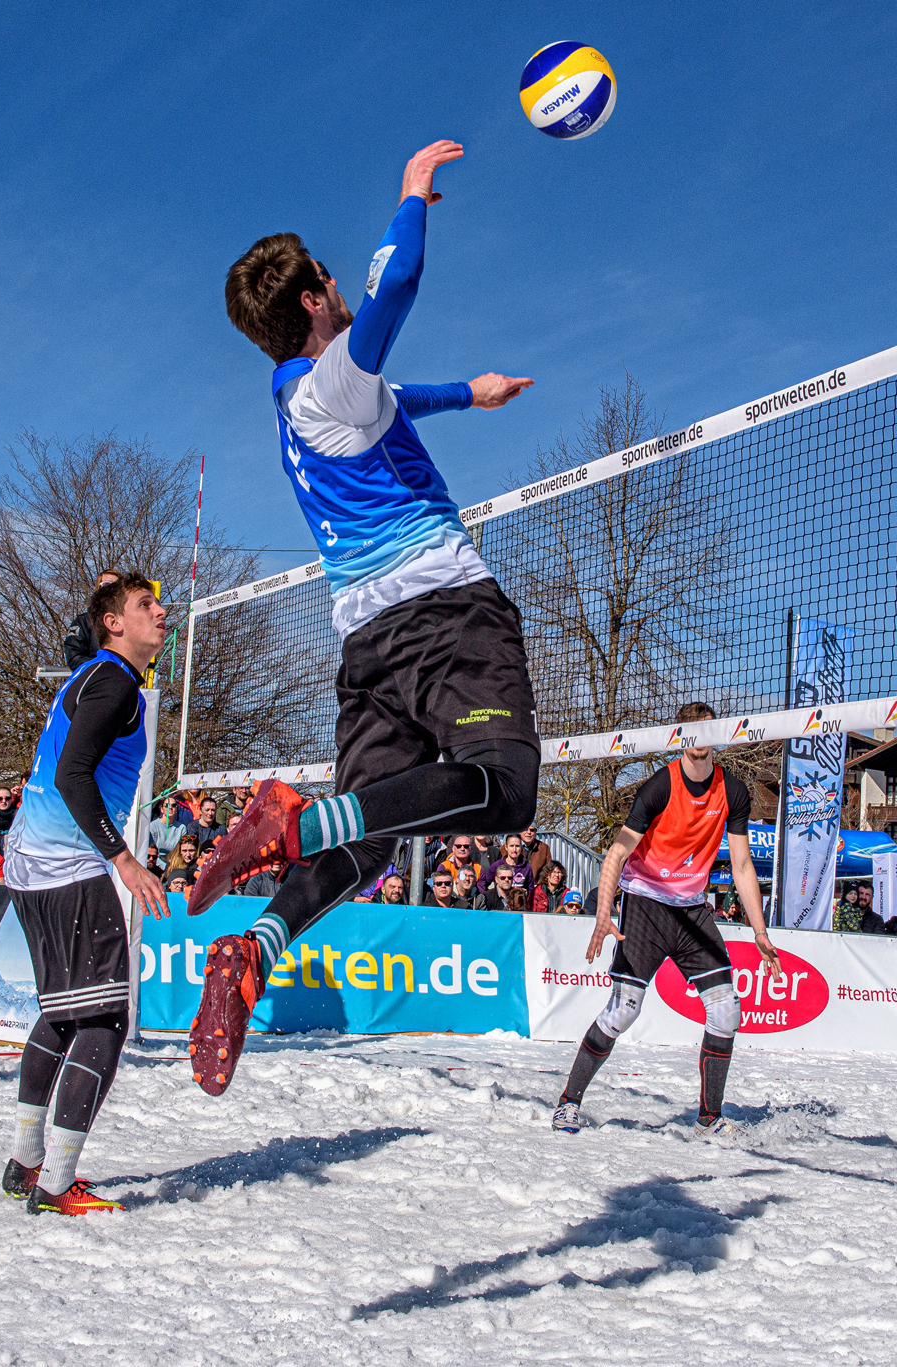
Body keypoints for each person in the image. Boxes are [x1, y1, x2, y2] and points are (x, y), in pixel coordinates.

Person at [189, 139, 541, 1096]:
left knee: (371, 842)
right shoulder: (333, 375)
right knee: (505, 791)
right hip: (442, 615)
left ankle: (253, 948)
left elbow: (395, 393)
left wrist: (475, 392)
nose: (343, 287)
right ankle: (289, 825)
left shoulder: (297, 396)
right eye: (330, 281)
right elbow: (397, 288)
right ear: (312, 301)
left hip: (368, 643)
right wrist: (413, 198)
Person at [1, 573, 170, 1216]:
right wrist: (123, 859)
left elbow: (86, 640)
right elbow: (74, 774)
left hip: (30, 860)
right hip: (66, 863)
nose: (161, 611)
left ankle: (25, 1161)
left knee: (63, 1012)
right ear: (113, 624)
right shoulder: (116, 682)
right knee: (104, 1021)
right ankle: (55, 1182)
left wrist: (105, 593)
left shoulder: (92, 672)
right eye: (144, 606)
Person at [552, 702, 778, 1139]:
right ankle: (568, 1102)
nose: (698, 739)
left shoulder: (734, 791)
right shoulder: (659, 787)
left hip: (693, 910)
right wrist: (602, 915)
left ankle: (709, 1120)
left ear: (717, 735)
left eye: (706, 731)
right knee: (623, 1013)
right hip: (647, 904)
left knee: (727, 1010)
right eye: (691, 732)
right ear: (680, 737)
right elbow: (617, 853)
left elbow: (745, 866)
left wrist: (761, 931)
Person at [62, 570, 123, 670]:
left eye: (115, 586)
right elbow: (74, 656)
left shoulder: (128, 623)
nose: (110, 589)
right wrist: (102, 667)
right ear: (98, 589)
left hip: (124, 680)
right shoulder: (84, 622)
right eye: (106, 585)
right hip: (94, 679)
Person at [484, 834, 533, 910]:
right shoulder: (496, 865)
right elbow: (484, 882)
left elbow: (531, 890)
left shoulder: (527, 867)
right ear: (506, 847)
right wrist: (484, 898)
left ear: (521, 847)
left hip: (518, 909)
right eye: (511, 846)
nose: (514, 849)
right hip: (499, 905)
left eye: (517, 846)